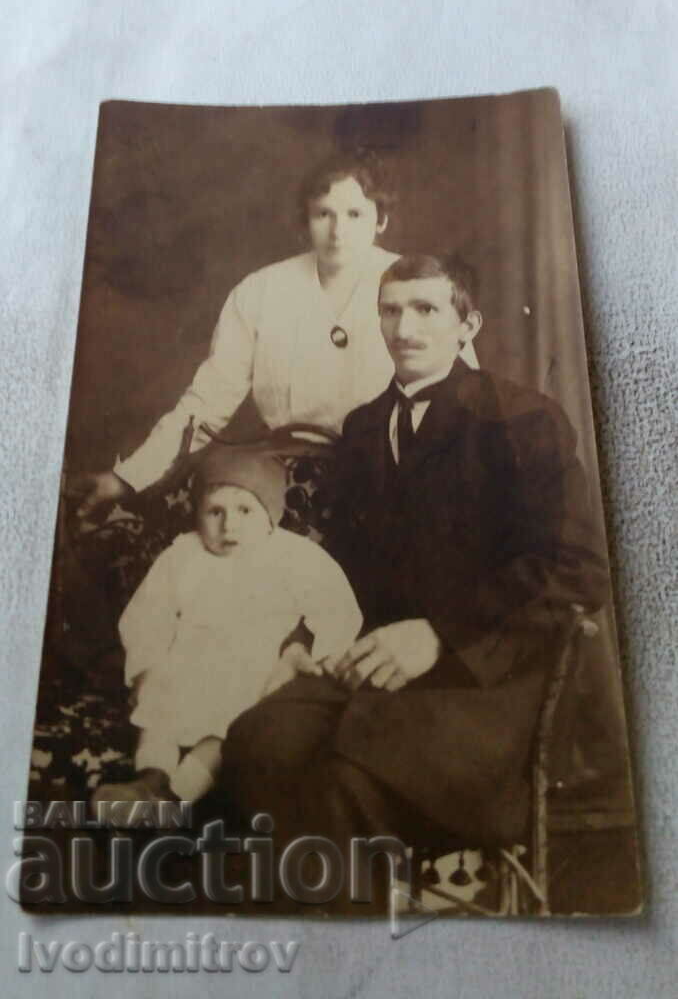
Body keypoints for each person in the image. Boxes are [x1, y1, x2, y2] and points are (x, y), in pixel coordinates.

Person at [221, 252, 610, 904]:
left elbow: (576, 570)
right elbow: (335, 567)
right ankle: (329, 938)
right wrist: (301, 639)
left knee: (348, 772)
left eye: (426, 309)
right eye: (391, 309)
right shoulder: (366, 428)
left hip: (486, 681)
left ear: (467, 324)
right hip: (378, 670)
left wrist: (437, 635)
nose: (405, 327)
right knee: (261, 739)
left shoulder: (522, 419)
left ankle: (368, 952)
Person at [77, 156, 477, 521]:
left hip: (395, 474)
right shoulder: (261, 291)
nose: (338, 231)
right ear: (305, 221)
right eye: (324, 214)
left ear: (381, 220)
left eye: (355, 214)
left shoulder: (418, 285)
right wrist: (127, 477)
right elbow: (207, 402)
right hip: (286, 476)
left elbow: (463, 394)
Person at [91, 446, 361, 808]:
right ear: (197, 514)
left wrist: (305, 649)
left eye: (245, 511)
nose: (228, 525)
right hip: (186, 662)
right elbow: (148, 615)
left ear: (270, 516)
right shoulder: (182, 555)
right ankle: (149, 779)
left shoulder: (296, 557)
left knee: (231, 727)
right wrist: (146, 667)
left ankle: (177, 796)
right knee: (157, 711)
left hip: (255, 670)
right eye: (214, 511)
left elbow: (336, 607)